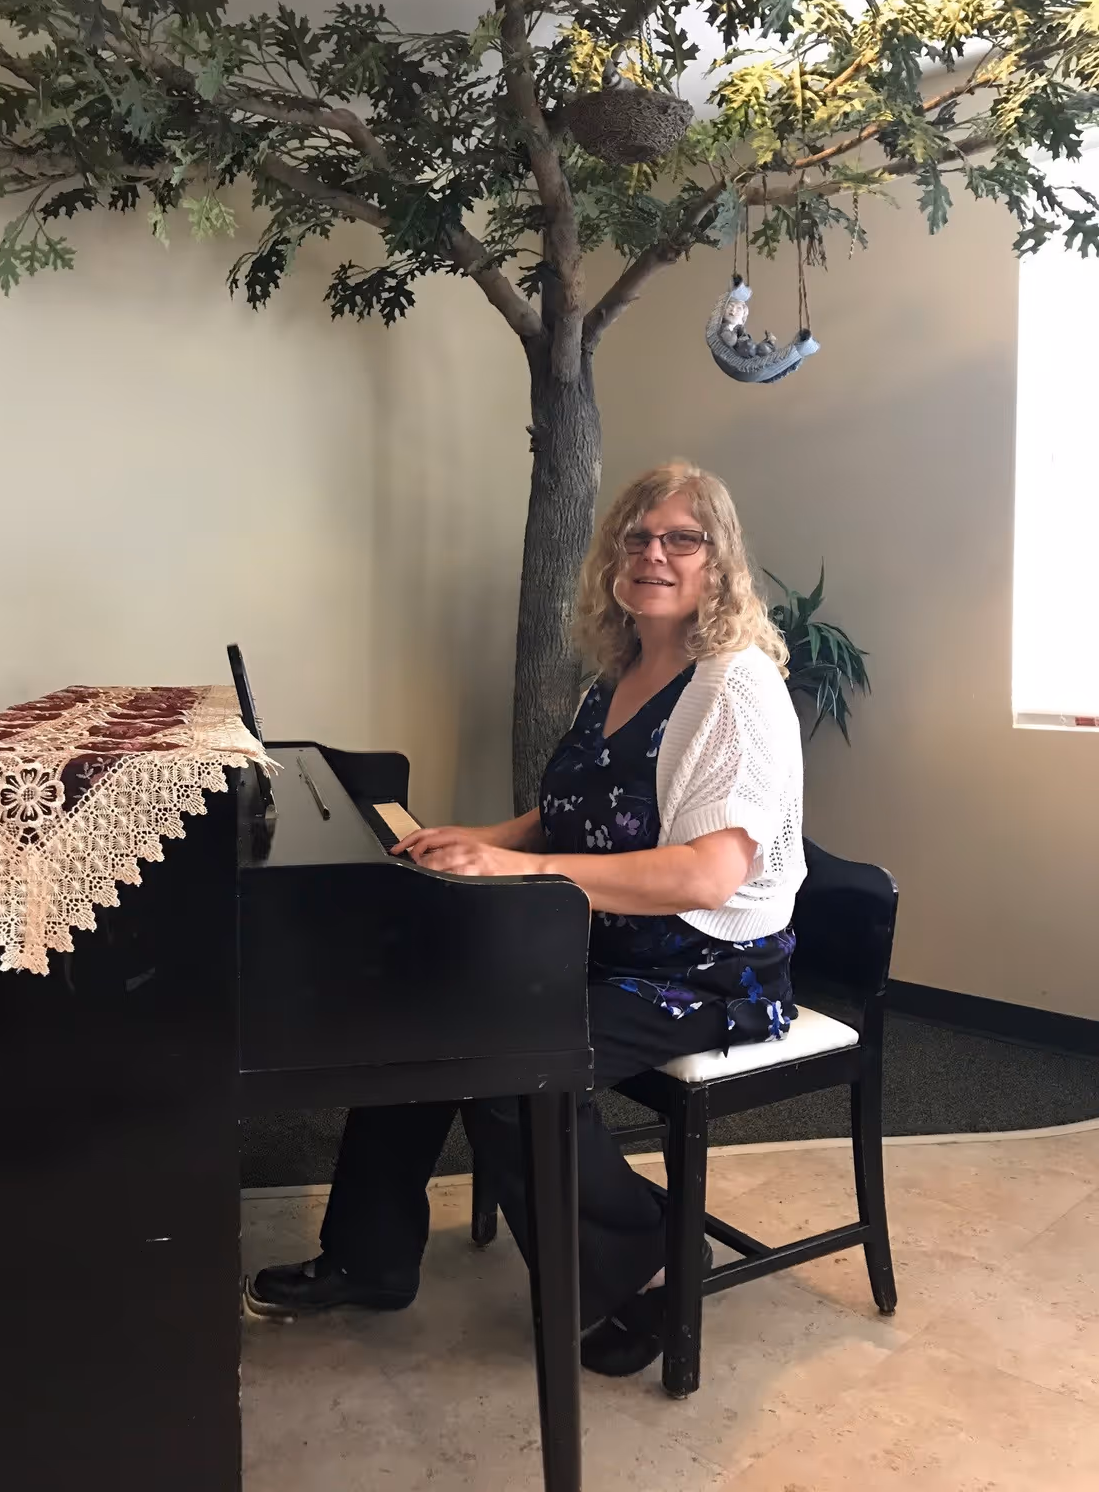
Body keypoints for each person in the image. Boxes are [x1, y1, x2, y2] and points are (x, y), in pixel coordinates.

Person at [247, 461, 806, 1376]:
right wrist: (484, 836)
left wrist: (520, 866)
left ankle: (647, 1255)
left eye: (681, 538)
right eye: (636, 536)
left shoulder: (731, 690)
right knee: (423, 1017)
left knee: (511, 1076)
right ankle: (369, 1257)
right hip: (592, 933)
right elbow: (572, 811)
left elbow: (709, 876)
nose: (653, 553)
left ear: (720, 562)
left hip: (702, 968)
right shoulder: (620, 671)